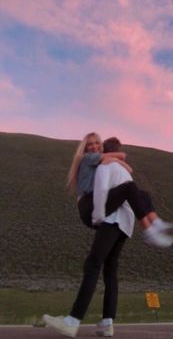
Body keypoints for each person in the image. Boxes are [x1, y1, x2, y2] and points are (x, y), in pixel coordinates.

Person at [43, 135, 135, 338]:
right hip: (126, 224)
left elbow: (103, 188)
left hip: (112, 220)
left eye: (97, 144)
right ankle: (108, 323)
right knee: (110, 271)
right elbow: (127, 167)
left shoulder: (104, 165)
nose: (94, 148)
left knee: (93, 264)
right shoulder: (115, 167)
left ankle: (73, 320)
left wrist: (98, 214)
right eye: (90, 145)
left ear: (103, 148)